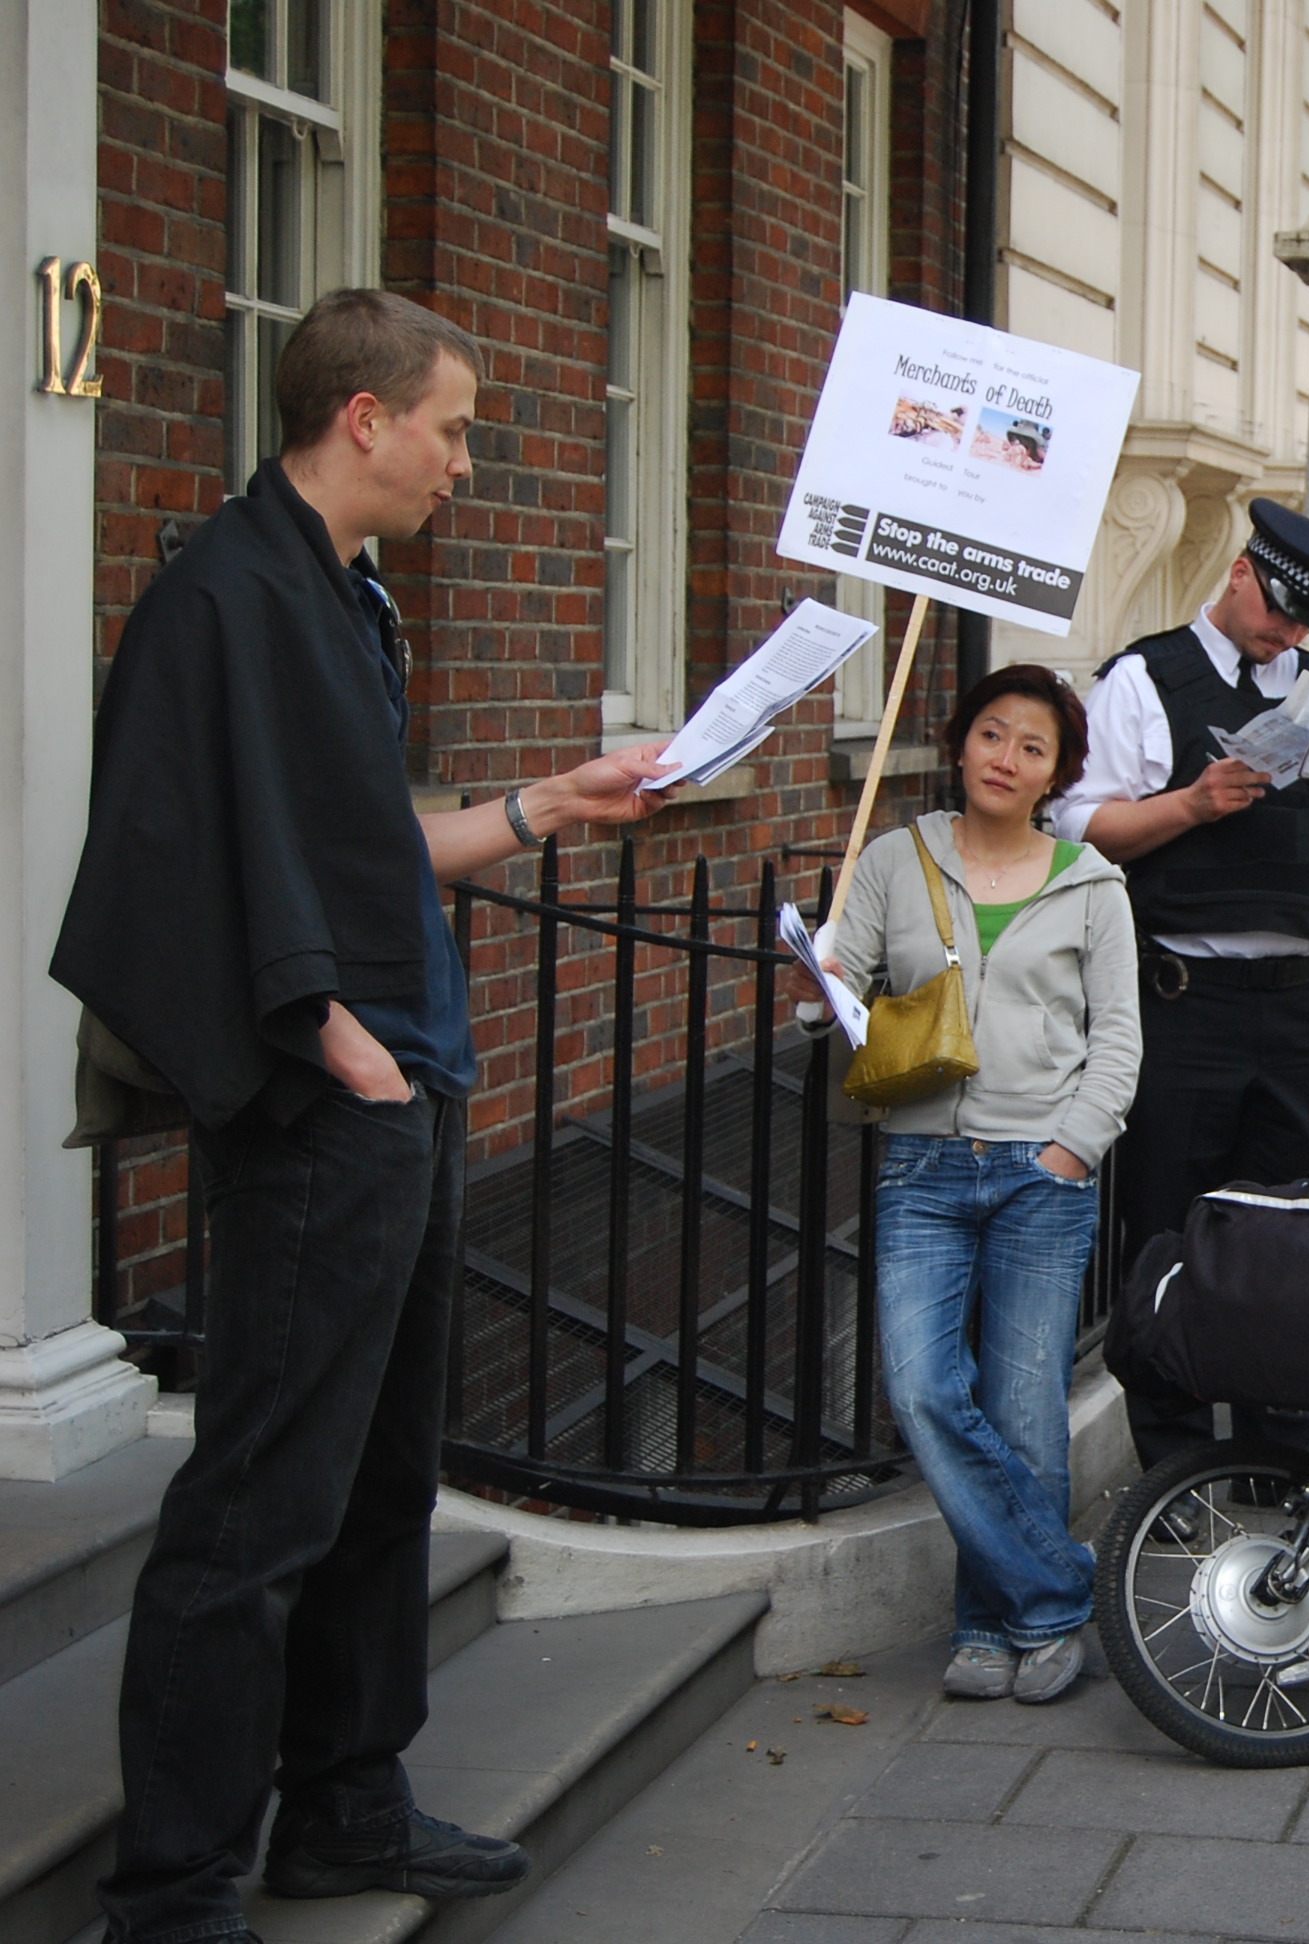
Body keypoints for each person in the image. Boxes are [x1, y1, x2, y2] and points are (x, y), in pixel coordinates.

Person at [52, 289, 676, 1943]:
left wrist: (544, 807)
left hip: (407, 1078)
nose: (467, 461)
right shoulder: (222, 596)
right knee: (256, 1497)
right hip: (332, 1103)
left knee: (384, 1478)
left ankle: (343, 1802)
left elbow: (355, 845)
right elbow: (164, 864)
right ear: (365, 421)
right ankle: (173, 1887)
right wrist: (332, 1038)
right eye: (456, 428)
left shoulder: (341, 596)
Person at [1055, 499, 1309, 1464]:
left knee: (1290, 1237)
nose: (1288, 634)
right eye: (1279, 610)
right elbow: (1078, 825)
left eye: (1307, 622)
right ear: (1239, 572)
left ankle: (1274, 1456)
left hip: (1304, 1009)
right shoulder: (1146, 678)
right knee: (1170, 1232)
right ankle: (1175, 1470)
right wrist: (1192, 804)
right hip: (1187, 1005)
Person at [792, 665, 1140, 1704]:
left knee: (1024, 1405)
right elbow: (842, 989)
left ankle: (993, 1627)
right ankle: (1059, 1591)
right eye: (993, 734)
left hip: (1043, 1171)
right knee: (923, 1388)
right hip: (923, 1166)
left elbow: (1118, 1039)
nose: (1007, 758)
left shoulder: (1092, 882)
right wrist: (818, 989)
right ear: (958, 743)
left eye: (1033, 748)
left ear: (1055, 774)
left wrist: (1074, 1145)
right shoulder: (897, 859)